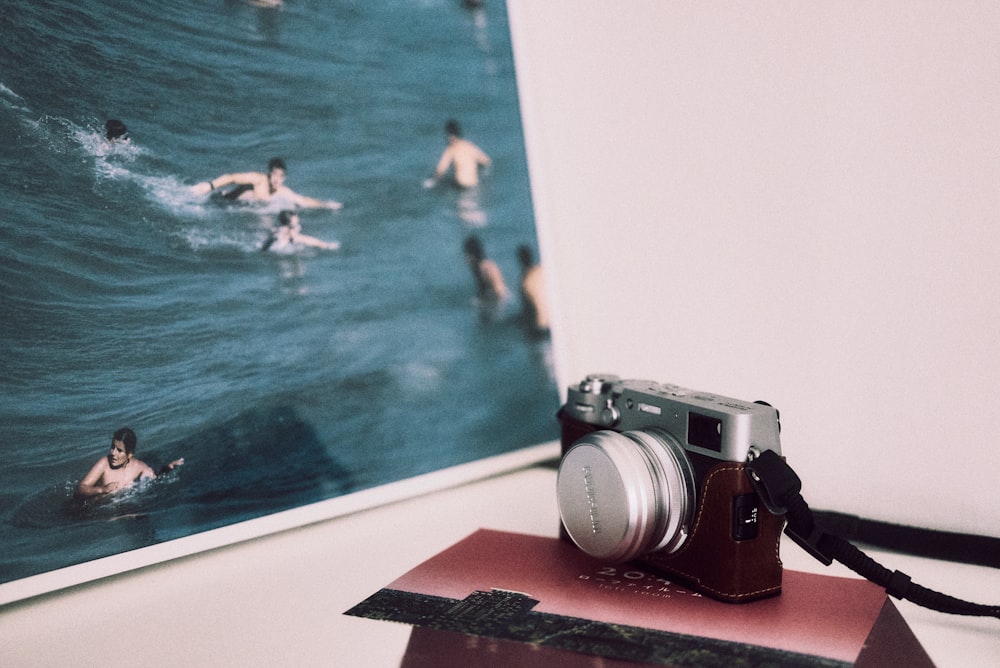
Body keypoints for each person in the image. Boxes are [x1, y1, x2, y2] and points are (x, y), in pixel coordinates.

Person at [191, 157, 342, 209]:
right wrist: (210, 186)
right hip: (219, 201)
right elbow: (232, 177)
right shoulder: (259, 179)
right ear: (269, 174)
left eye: (281, 176)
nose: (277, 180)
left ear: (285, 178)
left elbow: (303, 201)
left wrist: (326, 204)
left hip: (235, 208)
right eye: (274, 175)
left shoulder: (282, 191)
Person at [76, 428, 183, 499]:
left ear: (130, 454)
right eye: (112, 447)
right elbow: (82, 488)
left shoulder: (140, 467)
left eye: (119, 450)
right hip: (91, 507)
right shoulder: (104, 464)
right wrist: (101, 490)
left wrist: (169, 467)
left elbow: (156, 478)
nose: (113, 453)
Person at [425, 119, 491, 189]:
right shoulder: (470, 146)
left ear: (449, 135)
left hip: (461, 188)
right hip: (474, 186)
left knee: (444, 186)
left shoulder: (451, 149)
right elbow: (487, 161)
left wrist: (432, 182)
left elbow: (441, 170)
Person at [262, 210, 340, 251]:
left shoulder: (276, 229)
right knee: (302, 238)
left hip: (272, 247)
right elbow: (305, 239)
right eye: (296, 222)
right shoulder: (291, 231)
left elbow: (268, 242)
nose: (298, 223)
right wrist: (324, 245)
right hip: (281, 248)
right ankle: (325, 245)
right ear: (290, 223)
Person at [463, 235, 508, 306]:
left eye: (466, 254)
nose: (465, 258)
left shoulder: (483, 269)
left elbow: (497, 292)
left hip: (497, 301)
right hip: (500, 298)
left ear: (472, 254)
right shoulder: (486, 265)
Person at [516, 245, 550, 336]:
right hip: (552, 322)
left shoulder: (524, 282)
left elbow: (528, 311)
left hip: (540, 330)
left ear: (520, 261)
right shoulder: (543, 271)